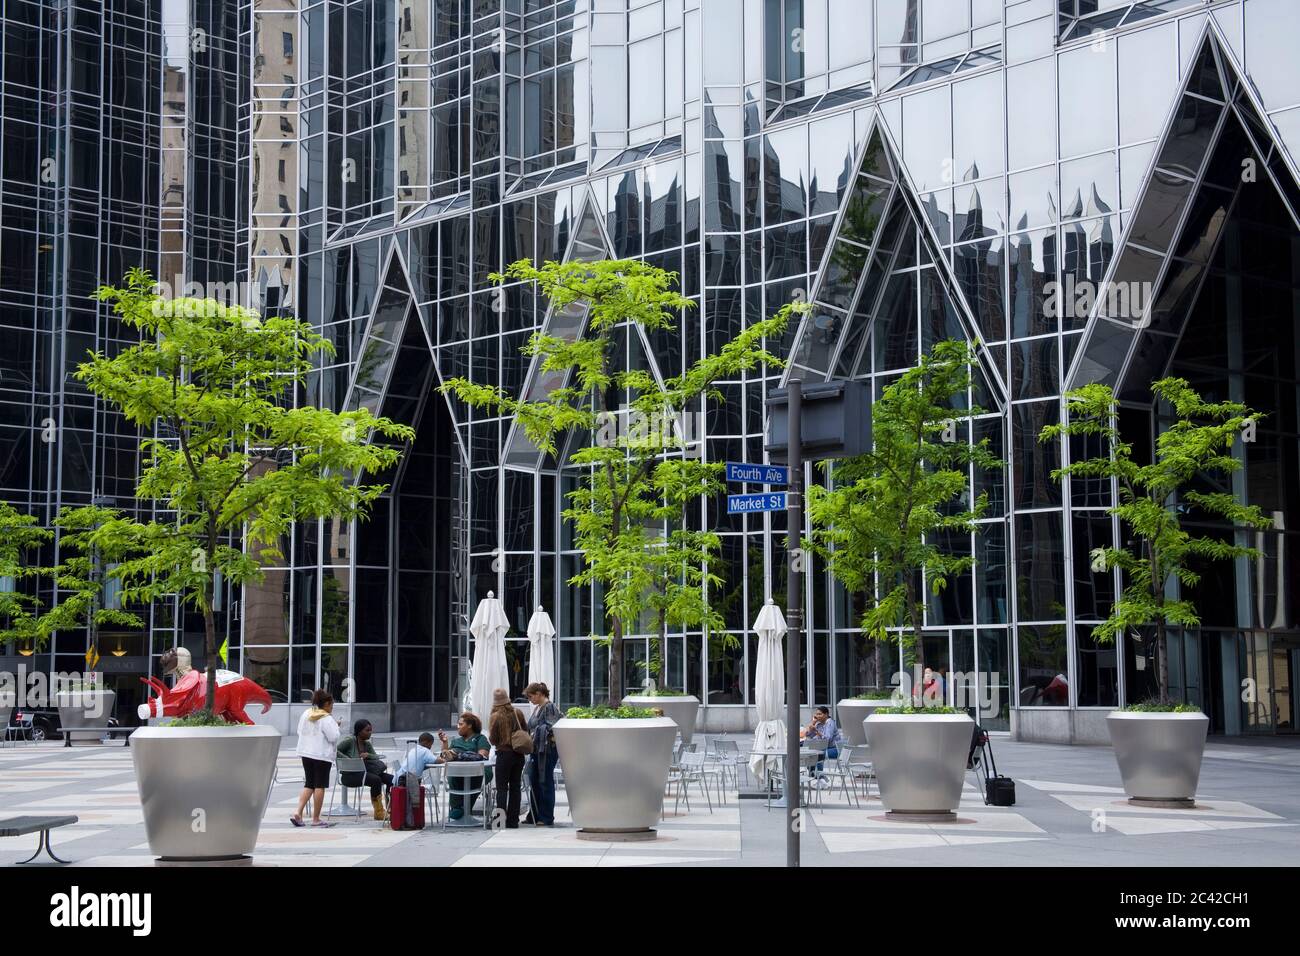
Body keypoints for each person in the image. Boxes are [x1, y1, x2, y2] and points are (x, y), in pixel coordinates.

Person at [292, 690, 339, 828]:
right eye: (331, 704)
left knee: (309, 783)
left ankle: (298, 812)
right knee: (320, 785)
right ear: (326, 703)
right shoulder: (326, 718)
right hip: (321, 755)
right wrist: (337, 726)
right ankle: (316, 819)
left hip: (306, 752)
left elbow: (299, 731)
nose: (332, 707)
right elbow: (333, 737)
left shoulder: (306, 713)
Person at [337, 718, 394, 820]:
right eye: (367, 730)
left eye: (370, 730)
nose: (370, 733)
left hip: (365, 772)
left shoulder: (366, 744)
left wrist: (368, 755)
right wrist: (349, 760)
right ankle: (379, 812)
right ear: (359, 731)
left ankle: (392, 808)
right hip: (350, 776)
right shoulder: (350, 741)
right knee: (376, 780)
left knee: (392, 779)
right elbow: (335, 750)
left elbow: (375, 757)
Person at [487, 688, 528, 829]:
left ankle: (500, 821)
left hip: (504, 755)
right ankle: (513, 821)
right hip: (518, 754)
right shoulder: (518, 713)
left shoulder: (495, 716)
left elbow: (492, 740)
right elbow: (525, 731)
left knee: (502, 788)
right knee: (516, 787)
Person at [439, 711, 491, 820]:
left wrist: (460, 755)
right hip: (457, 773)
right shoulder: (456, 741)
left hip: (476, 773)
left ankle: (463, 809)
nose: (458, 727)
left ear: (470, 725)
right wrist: (444, 743)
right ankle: (458, 808)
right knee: (452, 772)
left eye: (461, 724)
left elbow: (482, 756)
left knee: (471, 781)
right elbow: (445, 757)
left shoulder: (480, 739)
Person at [524, 681, 563, 826]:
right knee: (535, 781)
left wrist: (535, 733)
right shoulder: (538, 708)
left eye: (531, 696)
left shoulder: (549, 707)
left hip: (546, 751)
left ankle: (546, 816)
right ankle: (534, 814)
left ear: (539, 694)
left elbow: (550, 727)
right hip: (537, 750)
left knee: (545, 781)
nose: (530, 700)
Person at [804, 705, 840, 776]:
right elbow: (809, 736)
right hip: (823, 748)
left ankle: (819, 776)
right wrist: (812, 724)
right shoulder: (818, 724)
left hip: (834, 749)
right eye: (817, 714)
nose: (818, 716)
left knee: (819, 754)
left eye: (820, 714)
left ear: (826, 714)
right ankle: (813, 773)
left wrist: (817, 732)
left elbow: (828, 739)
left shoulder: (830, 723)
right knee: (811, 753)